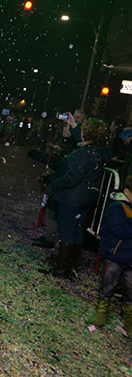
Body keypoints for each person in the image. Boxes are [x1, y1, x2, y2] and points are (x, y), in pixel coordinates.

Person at [46, 118, 110, 277]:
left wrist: (54, 183)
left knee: (67, 231)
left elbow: (71, 178)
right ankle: (71, 267)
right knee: (77, 230)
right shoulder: (99, 152)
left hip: (72, 198)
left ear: (86, 133)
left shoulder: (83, 153)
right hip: (87, 198)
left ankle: (61, 269)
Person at [88, 175, 132, 333]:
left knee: (130, 290)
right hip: (115, 256)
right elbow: (118, 230)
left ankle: (130, 322)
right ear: (127, 192)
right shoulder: (117, 208)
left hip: (130, 260)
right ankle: (100, 315)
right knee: (108, 286)